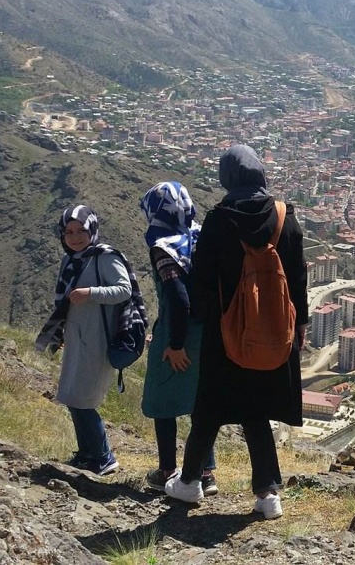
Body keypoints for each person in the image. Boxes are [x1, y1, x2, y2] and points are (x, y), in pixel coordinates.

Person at [166, 145, 308, 520]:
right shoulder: (285, 219)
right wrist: (301, 325)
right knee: (257, 411)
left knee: (209, 409)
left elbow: (200, 281)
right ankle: (267, 494)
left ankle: (189, 483)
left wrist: (202, 320)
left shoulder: (218, 220)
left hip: (224, 332)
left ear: (227, 177)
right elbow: (298, 279)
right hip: (273, 332)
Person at [138, 182, 218, 495]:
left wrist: (174, 345)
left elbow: (178, 298)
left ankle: (168, 470)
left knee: (163, 401)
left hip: (177, 330)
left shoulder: (164, 246)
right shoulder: (197, 236)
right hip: (206, 332)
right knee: (200, 404)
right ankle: (205, 472)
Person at [48, 204, 133, 475]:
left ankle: (103, 456)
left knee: (82, 399)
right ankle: (87, 455)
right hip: (77, 337)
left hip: (98, 339)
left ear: (93, 229)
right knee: (73, 397)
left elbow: (124, 290)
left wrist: (91, 293)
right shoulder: (71, 260)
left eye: (82, 230)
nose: (75, 237)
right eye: (69, 231)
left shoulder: (104, 257)